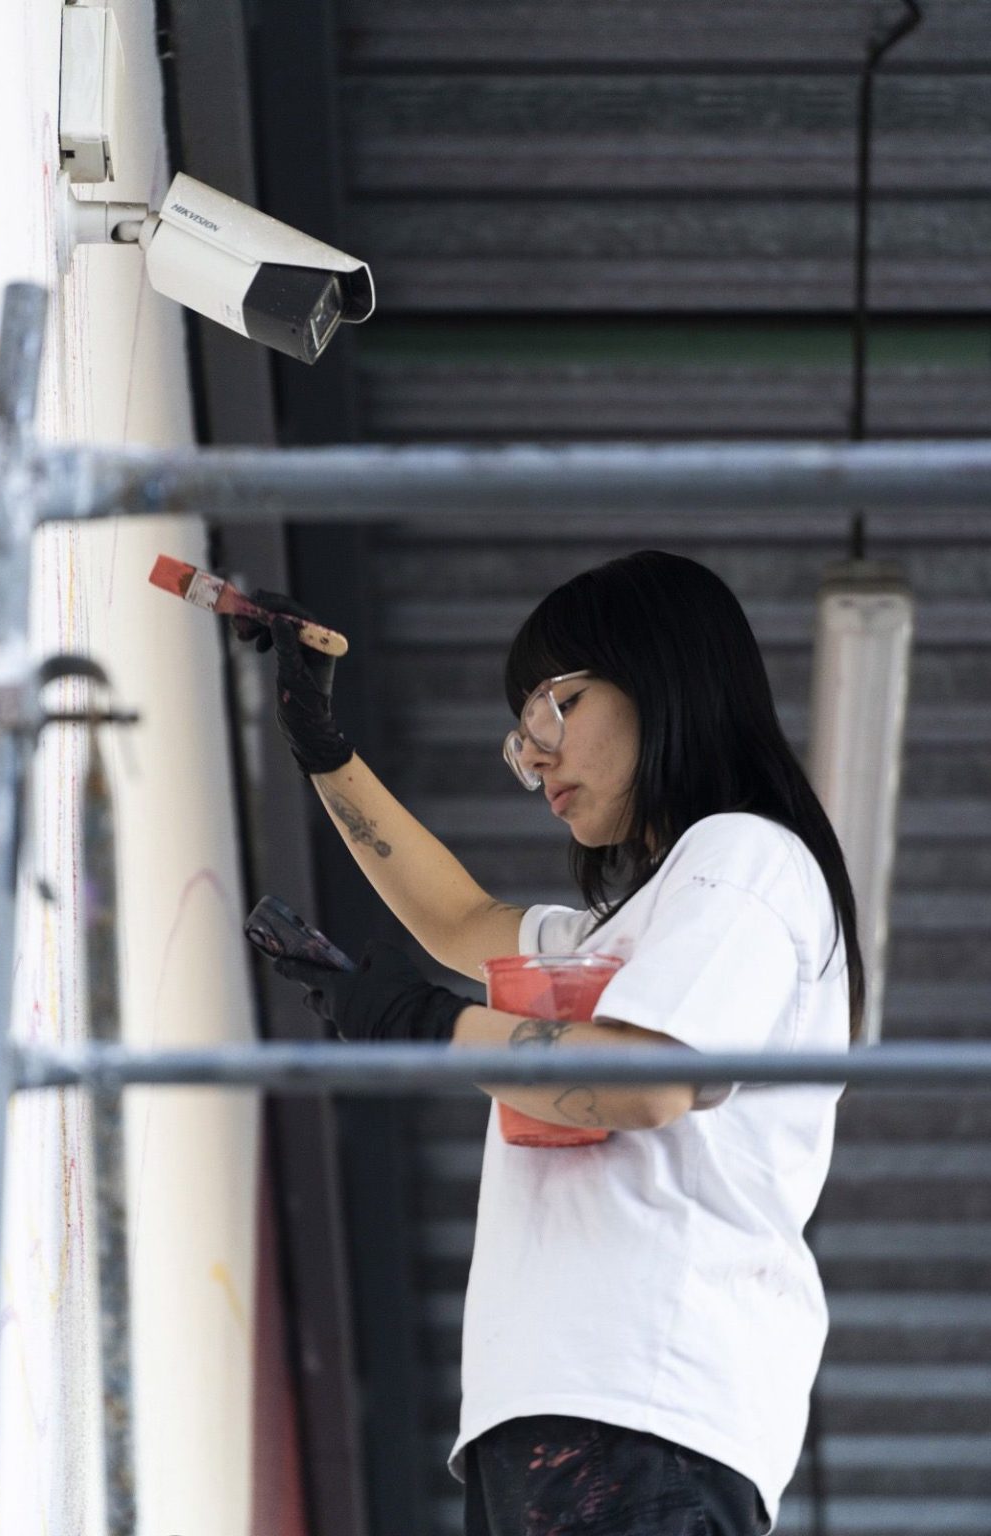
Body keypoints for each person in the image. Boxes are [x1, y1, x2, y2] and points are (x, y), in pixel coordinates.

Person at [232, 549, 861, 1536]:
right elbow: (459, 918)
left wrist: (424, 1025)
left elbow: (651, 1081)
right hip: (578, 1416)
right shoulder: (627, 933)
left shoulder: (745, 857)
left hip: (644, 1408)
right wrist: (323, 748)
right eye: (524, 728)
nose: (534, 757)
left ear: (657, 675)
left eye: (555, 707)